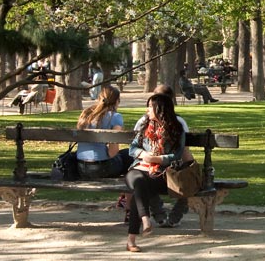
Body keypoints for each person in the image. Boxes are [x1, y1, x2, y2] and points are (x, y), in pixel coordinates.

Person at [124, 94, 187, 252]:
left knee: (140, 188)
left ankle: (132, 239)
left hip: (160, 173)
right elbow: (132, 148)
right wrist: (143, 155)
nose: (147, 110)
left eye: (150, 106)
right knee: (138, 181)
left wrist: (159, 159)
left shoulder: (176, 129)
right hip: (139, 167)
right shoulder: (145, 126)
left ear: (160, 109)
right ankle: (145, 219)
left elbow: (177, 155)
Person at [132, 84, 192, 228]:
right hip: (154, 167)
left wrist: (158, 159)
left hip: (165, 166)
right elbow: (185, 153)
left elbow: (179, 152)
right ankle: (170, 215)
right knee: (146, 177)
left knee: (147, 178)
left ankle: (161, 214)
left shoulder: (145, 121)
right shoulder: (176, 122)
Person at [75, 86, 133, 179]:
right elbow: (112, 153)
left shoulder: (86, 114)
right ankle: (129, 191)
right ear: (117, 101)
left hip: (81, 167)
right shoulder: (115, 117)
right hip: (101, 168)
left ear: (99, 98)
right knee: (129, 154)